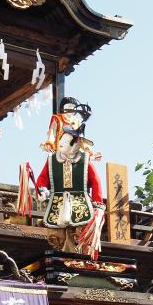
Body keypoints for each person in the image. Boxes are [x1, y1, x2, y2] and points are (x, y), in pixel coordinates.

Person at [36, 96, 104, 255]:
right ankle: (60, 256)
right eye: (60, 142)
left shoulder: (84, 161)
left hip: (79, 202)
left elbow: (96, 182)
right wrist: (42, 190)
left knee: (77, 234)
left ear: (76, 144)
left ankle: (77, 257)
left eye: (64, 143)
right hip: (57, 202)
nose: (60, 145)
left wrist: (97, 203)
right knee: (57, 235)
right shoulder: (53, 161)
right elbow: (42, 178)